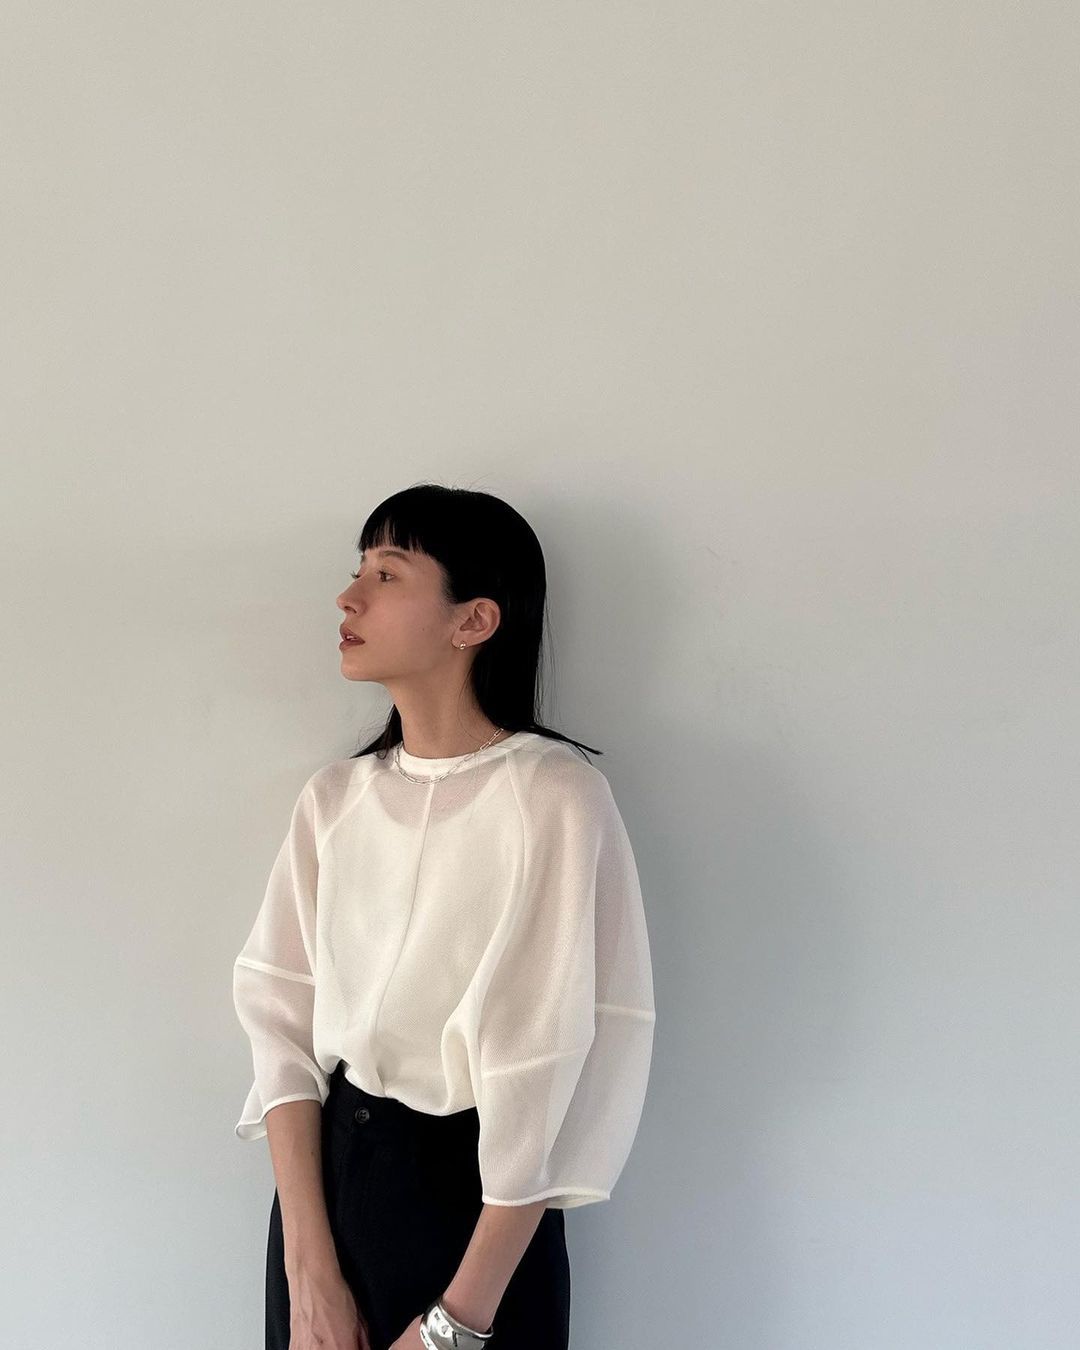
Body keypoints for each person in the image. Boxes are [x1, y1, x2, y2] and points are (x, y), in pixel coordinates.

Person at [231, 483, 657, 1350]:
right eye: (358, 570)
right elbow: (281, 1021)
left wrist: (456, 1324)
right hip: (329, 1197)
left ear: (474, 621)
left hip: (482, 1222)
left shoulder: (555, 797)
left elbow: (552, 1067)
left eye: (387, 575)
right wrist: (308, 1274)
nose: (348, 598)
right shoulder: (335, 799)